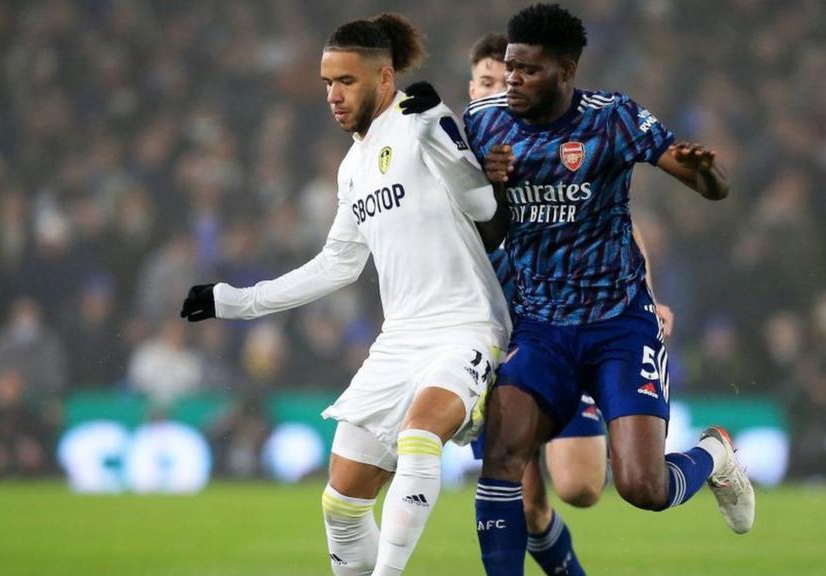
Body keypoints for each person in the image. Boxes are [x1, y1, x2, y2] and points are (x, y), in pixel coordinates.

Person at [179, 13, 511, 576]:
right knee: (341, 503)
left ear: (384, 78)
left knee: (419, 435)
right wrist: (235, 301)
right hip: (400, 337)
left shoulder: (420, 119)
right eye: (327, 83)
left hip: (465, 325)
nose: (333, 95)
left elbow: (487, 211)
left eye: (346, 82)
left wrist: (440, 129)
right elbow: (337, 265)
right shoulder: (353, 166)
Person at [461, 5, 753, 574]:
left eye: (529, 70)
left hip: (618, 323)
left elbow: (709, 186)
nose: (514, 80)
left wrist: (707, 171)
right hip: (540, 326)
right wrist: (492, 188)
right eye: (510, 68)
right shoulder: (486, 123)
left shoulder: (613, 118)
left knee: (642, 486)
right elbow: (491, 231)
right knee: (502, 460)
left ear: (567, 71)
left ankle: (715, 452)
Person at [467, 31, 677, 575]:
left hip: (568, 322)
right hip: (495, 338)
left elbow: (617, 227)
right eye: (488, 82)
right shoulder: (467, 148)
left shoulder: (557, 140)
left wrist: (650, 297)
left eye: (508, 78)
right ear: (472, 89)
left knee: (582, 487)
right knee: (524, 499)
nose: (501, 90)